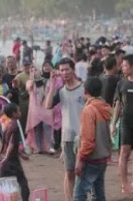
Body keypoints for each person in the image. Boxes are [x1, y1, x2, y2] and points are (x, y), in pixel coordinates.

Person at [45, 58, 85, 201]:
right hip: (67, 137)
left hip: (83, 137)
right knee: (69, 173)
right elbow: (48, 105)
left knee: (84, 172)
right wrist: (52, 84)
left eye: (67, 69)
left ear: (73, 70)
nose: (64, 72)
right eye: (61, 70)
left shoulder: (84, 88)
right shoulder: (61, 92)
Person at [74, 77, 112, 201]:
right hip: (103, 157)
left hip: (91, 158)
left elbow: (88, 140)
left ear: (85, 92)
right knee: (99, 192)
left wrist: (80, 159)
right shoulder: (104, 107)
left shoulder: (88, 110)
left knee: (79, 194)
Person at [0, 103, 30, 201]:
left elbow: (10, 144)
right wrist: (6, 158)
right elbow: (11, 144)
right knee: (23, 183)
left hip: (8, 158)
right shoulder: (14, 126)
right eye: (18, 111)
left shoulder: (9, 125)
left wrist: (21, 154)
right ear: (13, 114)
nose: (20, 112)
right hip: (11, 160)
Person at [111, 54, 133, 193]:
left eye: (125, 65)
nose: (122, 68)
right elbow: (118, 104)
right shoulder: (121, 83)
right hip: (125, 122)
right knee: (124, 153)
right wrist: (113, 124)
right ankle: (125, 185)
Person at [26, 63, 55, 154]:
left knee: (47, 126)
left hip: (45, 107)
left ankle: (50, 147)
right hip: (35, 108)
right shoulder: (30, 82)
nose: (34, 72)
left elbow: (51, 90)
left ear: (40, 71)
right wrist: (32, 79)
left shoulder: (45, 80)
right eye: (31, 70)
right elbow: (29, 87)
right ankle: (38, 147)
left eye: (36, 70)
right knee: (37, 128)